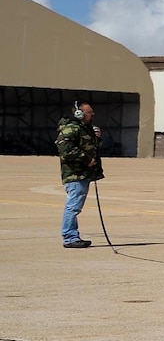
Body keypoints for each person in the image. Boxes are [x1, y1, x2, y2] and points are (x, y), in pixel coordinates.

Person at [55, 102, 104, 249]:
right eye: (89, 112)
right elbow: (64, 148)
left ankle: (72, 235)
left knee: (75, 206)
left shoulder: (86, 129)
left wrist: (97, 138)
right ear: (79, 114)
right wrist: (86, 159)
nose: (92, 115)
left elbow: (93, 148)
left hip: (83, 173)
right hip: (75, 173)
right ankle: (69, 237)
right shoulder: (71, 128)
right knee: (73, 206)